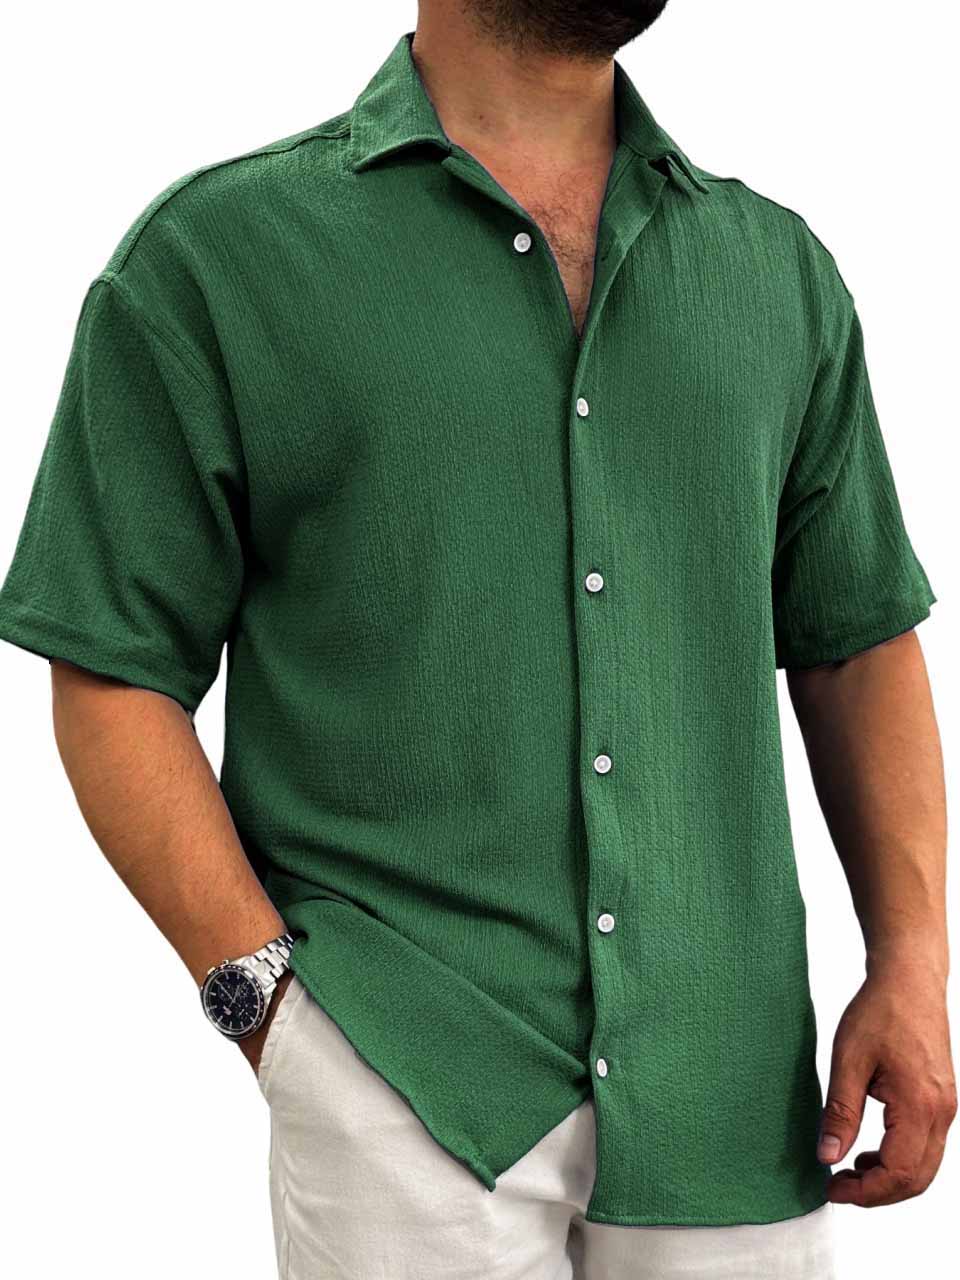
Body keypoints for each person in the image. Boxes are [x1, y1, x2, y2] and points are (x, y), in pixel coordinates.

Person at [0, 2, 954, 1276]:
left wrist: (913, 961)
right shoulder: (217, 258)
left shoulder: (775, 272)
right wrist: (267, 1005)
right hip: (405, 1074)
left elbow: (853, 642)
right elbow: (113, 667)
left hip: (735, 1098)